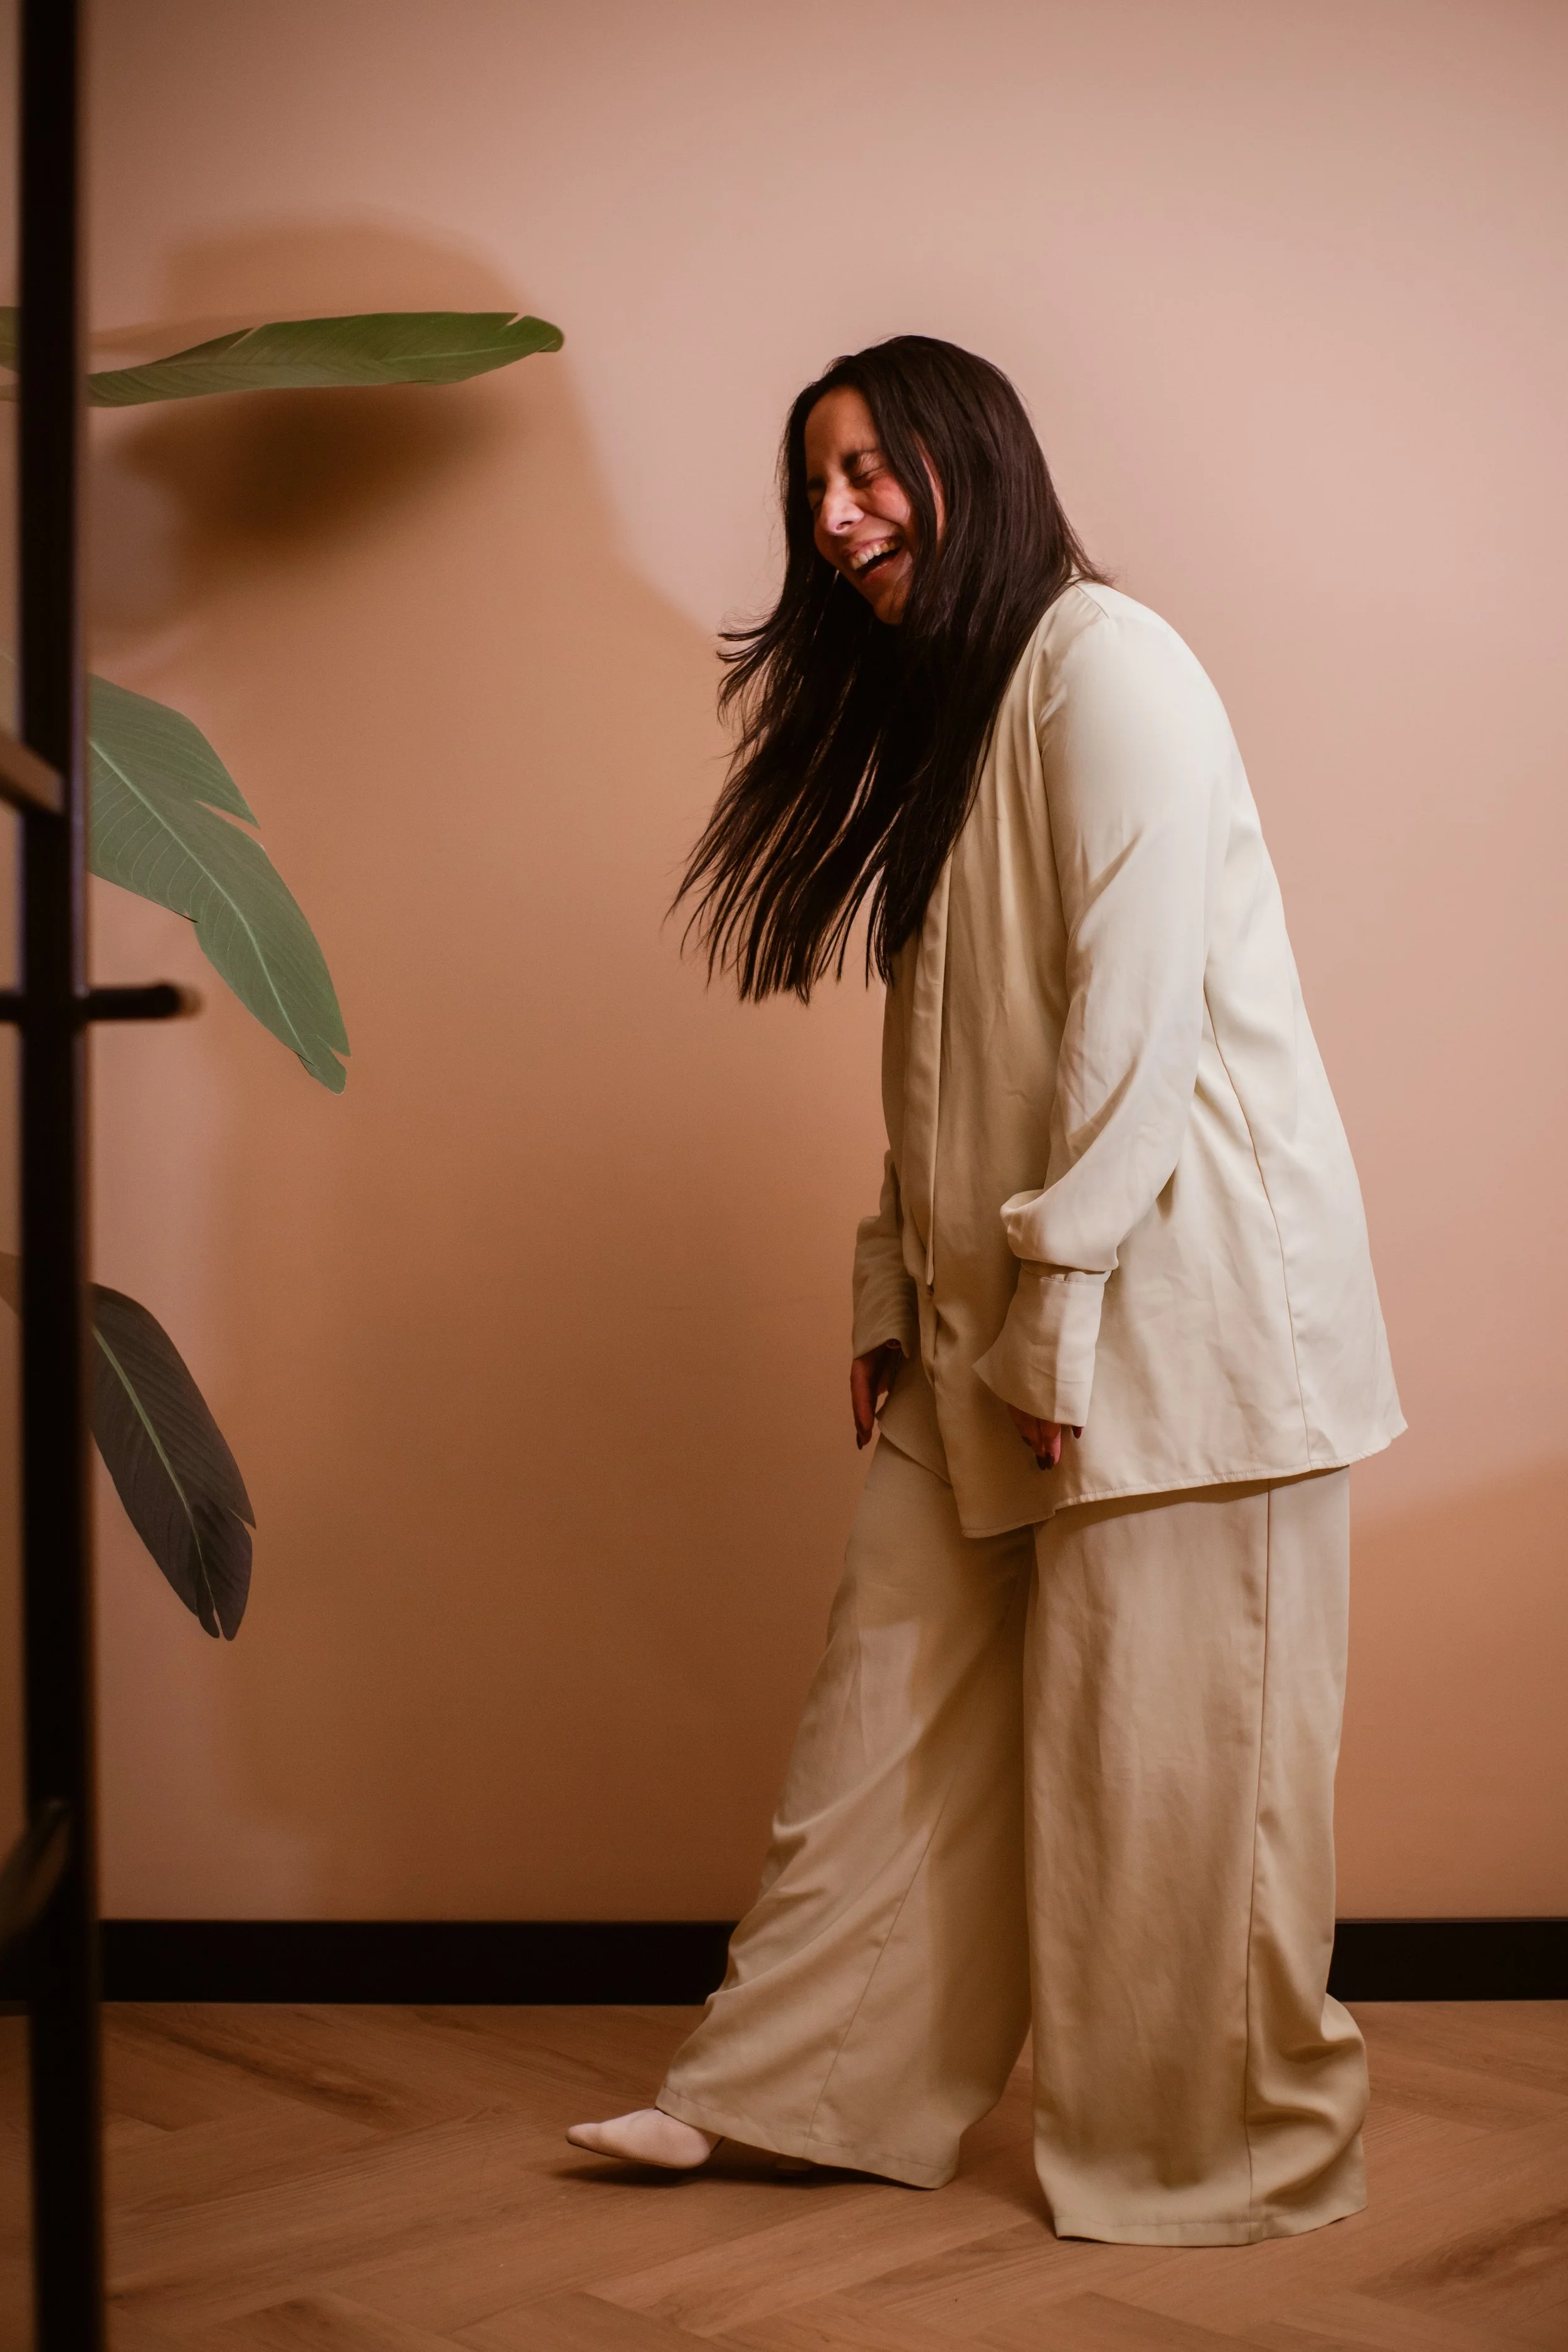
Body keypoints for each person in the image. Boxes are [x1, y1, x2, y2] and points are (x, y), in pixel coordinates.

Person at [567, 336, 1403, 2245]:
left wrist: (1050, 1306)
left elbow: (1135, 1009)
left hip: (1174, 1336)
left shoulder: (1111, 664)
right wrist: (895, 1284)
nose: (835, 512)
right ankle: (790, 2087)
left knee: (1174, 1773)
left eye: (868, 468)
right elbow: (953, 1051)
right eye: (812, 485)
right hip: (999, 1321)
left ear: (973, 462)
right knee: (889, 1705)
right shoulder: (971, 708)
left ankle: (1228, 2154)